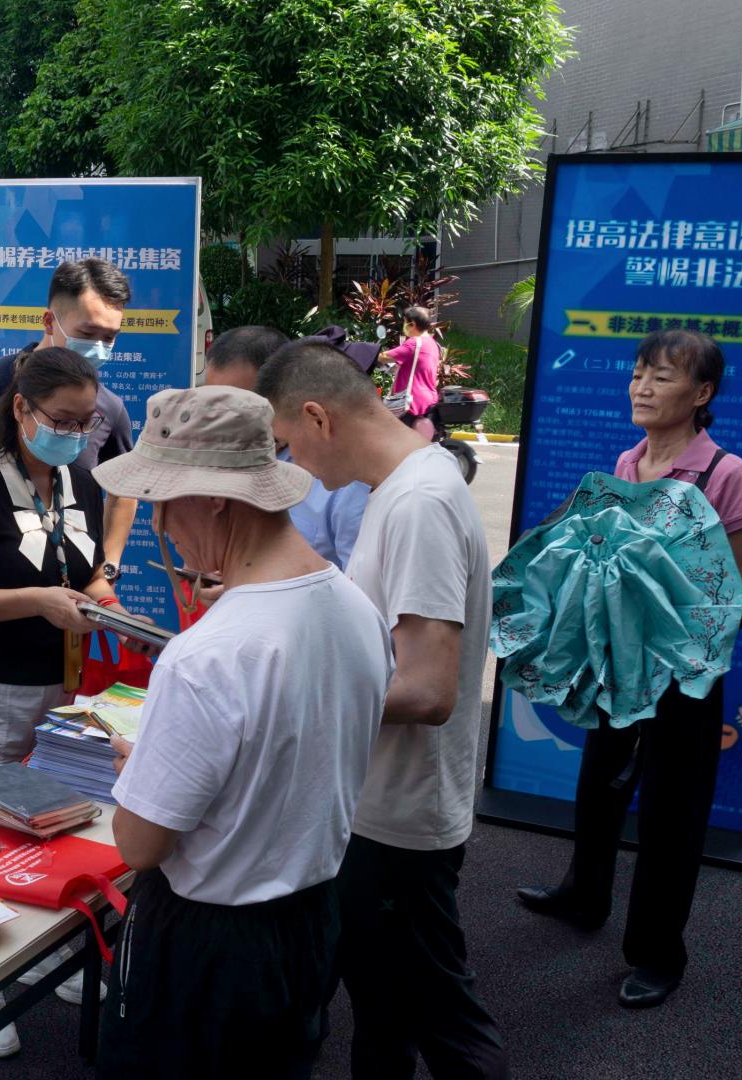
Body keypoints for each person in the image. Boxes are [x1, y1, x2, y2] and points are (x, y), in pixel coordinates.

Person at [96, 386, 392, 1080]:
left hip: (209, 943)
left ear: (216, 501)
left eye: (163, 501)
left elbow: (141, 844)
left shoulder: (209, 655)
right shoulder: (355, 606)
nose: (160, 523)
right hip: (311, 917)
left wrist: (141, 772)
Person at [259, 340, 507, 1079]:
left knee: (444, 1019)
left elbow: (428, 689)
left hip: (398, 824)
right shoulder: (407, 487)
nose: (293, 464)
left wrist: (293, 701)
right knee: (384, 1012)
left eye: (288, 443)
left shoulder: (419, 505)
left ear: (317, 417)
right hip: (376, 808)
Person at [515, 329, 742, 1008]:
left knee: (671, 816)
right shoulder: (627, 462)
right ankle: (583, 895)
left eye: (661, 377)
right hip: (616, 663)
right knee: (599, 786)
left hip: (684, 677)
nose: (641, 387)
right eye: (637, 374)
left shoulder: (724, 474)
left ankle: (658, 952)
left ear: (702, 393)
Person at [0, 346, 120, 1056]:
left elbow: (88, 571)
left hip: (57, 693)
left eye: (86, 422)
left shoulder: (79, 482)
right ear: (22, 410)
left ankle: (37, 952)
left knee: (48, 830)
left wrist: (103, 597)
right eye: (62, 419)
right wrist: (35, 600)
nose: (74, 433)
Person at [0, 258, 140, 640]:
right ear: (49, 321)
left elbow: (124, 491)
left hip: (61, 639)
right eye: (88, 333)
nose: (100, 348)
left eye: (110, 338)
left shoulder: (108, 408)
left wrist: (106, 570)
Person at [202, 325, 371, 572]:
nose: (225, 421)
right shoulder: (216, 462)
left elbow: (360, 590)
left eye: (240, 405)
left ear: (280, 391)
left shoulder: (337, 476)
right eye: (215, 405)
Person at [378, 306, 443, 440]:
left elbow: (384, 357)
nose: (404, 325)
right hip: (428, 399)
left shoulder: (414, 343)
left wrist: (368, 353)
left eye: (405, 322)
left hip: (411, 402)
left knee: (394, 441)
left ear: (412, 324)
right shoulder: (433, 344)